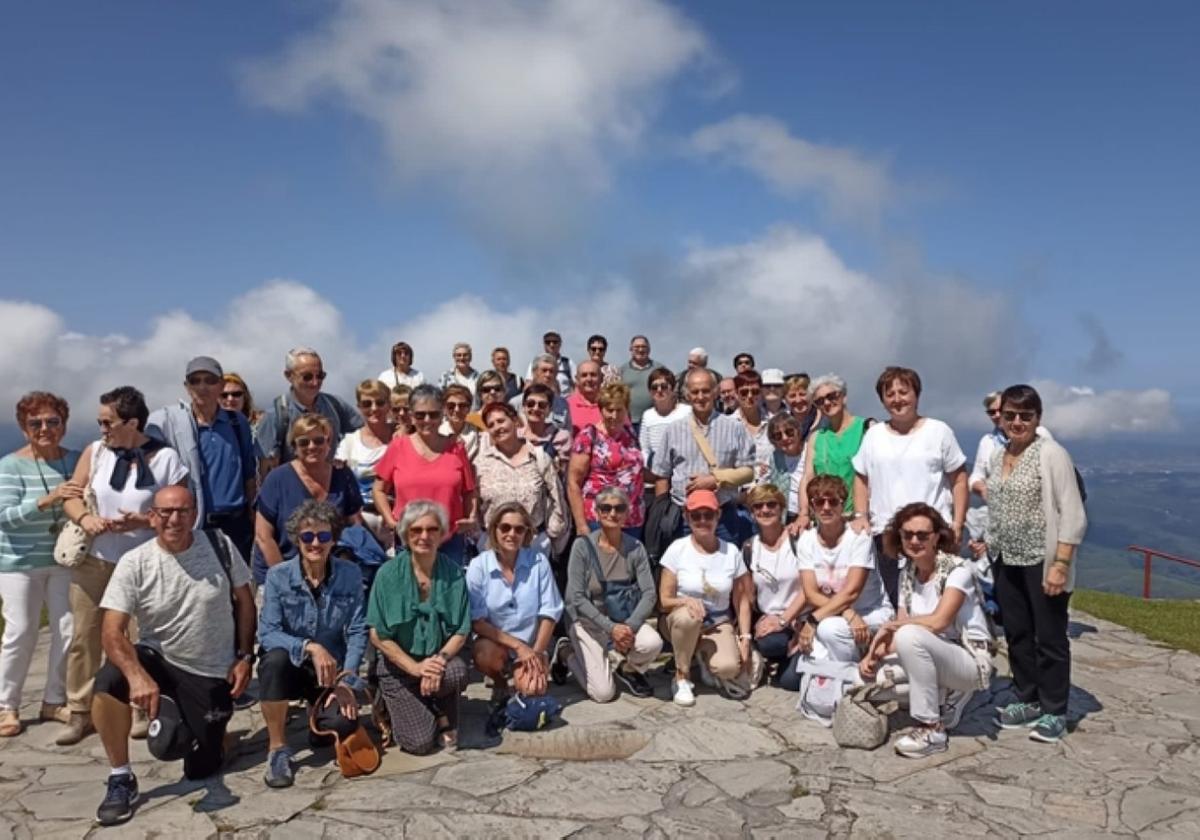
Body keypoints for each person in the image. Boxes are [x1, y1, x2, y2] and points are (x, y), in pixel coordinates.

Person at [90, 486, 254, 825]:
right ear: (152, 516)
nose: (174, 519)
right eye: (165, 512)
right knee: (108, 680)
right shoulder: (135, 563)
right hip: (158, 659)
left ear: (194, 514)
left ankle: (213, 733)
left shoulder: (220, 546)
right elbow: (111, 631)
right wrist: (136, 676)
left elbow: (246, 602)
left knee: (196, 765)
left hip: (210, 673)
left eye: (182, 511)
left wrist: (244, 656)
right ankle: (120, 776)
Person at [58, 386, 189, 746]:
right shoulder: (96, 452)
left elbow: (182, 512)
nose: (102, 429)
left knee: (141, 638)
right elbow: (70, 494)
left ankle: (141, 706)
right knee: (84, 635)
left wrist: (145, 522)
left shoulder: (165, 460)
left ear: (132, 422)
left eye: (108, 422)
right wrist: (85, 519)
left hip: (143, 563)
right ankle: (80, 710)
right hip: (96, 561)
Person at [983, 384, 1086, 744]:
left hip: (1040, 559)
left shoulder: (1052, 454)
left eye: (1025, 416)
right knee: (1017, 631)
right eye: (1009, 415)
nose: (1016, 422)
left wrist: (1061, 564)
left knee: (1051, 636)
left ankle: (1054, 709)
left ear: (1037, 418)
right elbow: (998, 503)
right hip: (1004, 558)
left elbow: (1072, 513)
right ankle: (1028, 697)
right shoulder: (999, 456)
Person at [859, 503, 994, 759]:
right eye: (907, 534)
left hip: (968, 661)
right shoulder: (907, 574)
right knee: (863, 682)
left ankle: (931, 728)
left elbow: (939, 622)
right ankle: (945, 695)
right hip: (927, 655)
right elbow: (899, 633)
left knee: (910, 635)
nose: (914, 540)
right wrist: (873, 655)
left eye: (923, 535)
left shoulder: (958, 571)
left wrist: (890, 628)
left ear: (937, 538)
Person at [258, 500, 367, 787]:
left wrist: (348, 682)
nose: (315, 543)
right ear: (297, 539)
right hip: (293, 665)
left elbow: (357, 630)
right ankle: (278, 749)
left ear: (334, 539)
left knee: (342, 724)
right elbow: (267, 632)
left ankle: (315, 718)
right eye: (307, 536)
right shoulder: (278, 576)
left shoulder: (350, 574)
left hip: (332, 672)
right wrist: (310, 646)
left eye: (323, 536)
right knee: (273, 661)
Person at [851, 367, 967, 609]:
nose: (897, 399)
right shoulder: (874, 435)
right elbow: (861, 477)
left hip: (933, 533)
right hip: (888, 534)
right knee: (898, 602)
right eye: (889, 394)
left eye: (903, 392)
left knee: (938, 600)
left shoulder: (939, 431)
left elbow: (959, 478)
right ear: (882, 400)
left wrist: (957, 522)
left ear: (916, 394)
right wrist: (861, 515)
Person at [0, 392, 80, 737]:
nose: (45, 428)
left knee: (67, 629)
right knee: (20, 631)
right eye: (36, 423)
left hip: (64, 560)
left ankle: (53, 699)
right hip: (18, 562)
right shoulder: (9, 466)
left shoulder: (76, 460)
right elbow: (4, 518)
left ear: (64, 424)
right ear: (23, 427)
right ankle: (7, 705)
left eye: (52, 421)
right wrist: (47, 501)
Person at [367, 501, 471, 754]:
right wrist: (415, 668)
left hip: (437, 660)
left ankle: (436, 704)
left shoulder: (454, 573)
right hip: (399, 666)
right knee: (420, 743)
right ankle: (410, 706)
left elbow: (461, 630)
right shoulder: (387, 575)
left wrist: (437, 663)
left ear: (442, 533)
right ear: (405, 534)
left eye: (432, 529)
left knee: (457, 672)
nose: (424, 536)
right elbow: (378, 635)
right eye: (416, 530)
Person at [147, 356, 257, 562]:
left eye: (210, 380)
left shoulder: (236, 421)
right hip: (196, 522)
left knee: (237, 587)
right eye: (195, 381)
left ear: (221, 385)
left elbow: (249, 472)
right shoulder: (172, 426)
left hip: (237, 523)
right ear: (186, 387)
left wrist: (253, 513)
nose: (202, 386)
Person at [467, 502, 563, 734]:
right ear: (494, 530)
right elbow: (477, 621)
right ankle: (500, 684)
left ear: (527, 534)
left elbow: (550, 612)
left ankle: (527, 676)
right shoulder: (479, 566)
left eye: (519, 529)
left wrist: (536, 653)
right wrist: (518, 647)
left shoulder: (539, 562)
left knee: (533, 690)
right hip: (497, 642)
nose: (511, 534)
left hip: (532, 644)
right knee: (483, 654)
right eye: (505, 527)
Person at [561, 487, 662, 701]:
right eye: (605, 508)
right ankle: (566, 653)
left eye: (619, 508)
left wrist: (628, 627)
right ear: (596, 512)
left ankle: (627, 668)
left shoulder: (636, 548)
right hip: (588, 621)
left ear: (627, 513)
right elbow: (576, 597)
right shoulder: (582, 546)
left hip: (623, 617)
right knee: (603, 693)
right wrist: (611, 628)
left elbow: (649, 594)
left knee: (652, 643)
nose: (612, 514)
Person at [658, 490, 752, 706]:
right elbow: (664, 600)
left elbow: (741, 600)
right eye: (696, 515)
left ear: (718, 516)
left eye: (708, 515)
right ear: (687, 516)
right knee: (687, 617)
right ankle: (681, 676)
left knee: (728, 668)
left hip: (717, 623)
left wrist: (745, 638)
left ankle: (698, 654)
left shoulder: (731, 552)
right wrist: (685, 601)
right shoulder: (677, 549)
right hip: (680, 622)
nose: (702, 521)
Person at [792, 476, 893, 669]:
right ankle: (853, 666)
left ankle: (855, 675)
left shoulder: (858, 536)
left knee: (829, 630)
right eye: (819, 502)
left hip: (871, 612)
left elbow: (852, 591)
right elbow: (811, 593)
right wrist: (847, 613)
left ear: (843, 504)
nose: (826, 507)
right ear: (812, 506)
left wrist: (813, 620)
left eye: (833, 502)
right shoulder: (806, 540)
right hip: (838, 613)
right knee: (806, 665)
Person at [372, 385, 479, 567]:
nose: (427, 420)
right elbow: (379, 489)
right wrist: (391, 521)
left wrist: (471, 517)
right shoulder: (398, 446)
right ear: (411, 416)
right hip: (409, 540)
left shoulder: (456, 448)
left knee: (447, 594)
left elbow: (469, 490)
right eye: (420, 415)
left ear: (442, 414)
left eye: (433, 414)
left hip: (449, 540)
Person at [254, 414, 363, 587]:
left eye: (319, 441)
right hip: (280, 573)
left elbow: (355, 526)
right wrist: (287, 581)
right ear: (294, 447)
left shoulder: (343, 475)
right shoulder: (277, 479)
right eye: (304, 442)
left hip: (331, 576)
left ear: (329, 442)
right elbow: (263, 536)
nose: (312, 447)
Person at [651, 368, 754, 544]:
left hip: (723, 515)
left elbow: (748, 472)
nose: (700, 397)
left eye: (706, 391)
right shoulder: (673, 430)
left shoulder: (734, 428)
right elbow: (662, 476)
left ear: (715, 392)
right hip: (684, 517)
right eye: (695, 392)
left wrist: (716, 479)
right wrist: (662, 511)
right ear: (687, 395)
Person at [476, 402, 568, 555]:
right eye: (491, 425)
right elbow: (474, 504)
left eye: (501, 421)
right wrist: (480, 538)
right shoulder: (481, 463)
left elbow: (557, 499)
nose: (497, 427)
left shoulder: (539, 457)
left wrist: (552, 535)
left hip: (533, 544)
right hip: (493, 547)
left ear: (515, 421)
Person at [254, 347, 362, 470]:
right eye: (307, 377)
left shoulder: (335, 405)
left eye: (320, 376)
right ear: (288, 376)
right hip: (292, 486)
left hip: (332, 484)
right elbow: (267, 470)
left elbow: (365, 433)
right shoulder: (275, 415)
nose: (315, 382)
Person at [741, 486, 806, 683]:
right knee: (771, 643)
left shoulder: (799, 541)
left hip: (800, 617)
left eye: (771, 504)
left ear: (782, 508)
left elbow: (808, 589)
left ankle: (794, 654)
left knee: (790, 682)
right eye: (758, 506)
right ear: (752, 512)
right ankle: (782, 655)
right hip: (770, 619)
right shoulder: (749, 547)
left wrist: (785, 620)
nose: (765, 510)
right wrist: (749, 630)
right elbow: (747, 595)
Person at [567, 382, 644, 539]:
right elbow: (573, 482)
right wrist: (581, 524)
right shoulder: (588, 435)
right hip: (600, 518)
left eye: (619, 410)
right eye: (609, 410)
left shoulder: (630, 433)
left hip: (632, 518)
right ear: (601, 410)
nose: (614, 416)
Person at [797, 374, 869, 529]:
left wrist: (861, 515)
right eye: (820, 401)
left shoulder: (866, 429)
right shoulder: (816, 438)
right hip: (825, 519)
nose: (827, 403)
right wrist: (803, 514)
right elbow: (808, 477)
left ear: (843, 397)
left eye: (832, 396)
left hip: (858, 519)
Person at [334, 380, 395, 551]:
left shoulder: (401, 438)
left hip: (396, 522)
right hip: (362, 522)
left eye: (380, 402)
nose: (374, 408)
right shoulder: (349, 443)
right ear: (359, 407)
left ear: (389, 404)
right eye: (367, 404)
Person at [638, 367, 690, 475]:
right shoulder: (647, 415)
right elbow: (645, 449)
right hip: (655, 471)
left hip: (682, 469)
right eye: (654, 387)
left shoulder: (686, 412)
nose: (659, 390)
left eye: (664, 386)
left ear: (672, 389)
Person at [517, 383, 572, 470]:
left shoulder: (561, 437)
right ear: (524, 407)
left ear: (549, 410)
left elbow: (564, 472)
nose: (535, 408)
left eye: (542, 405)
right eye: (530, 404)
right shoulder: (516, 436)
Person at [512, 354, 572, 430]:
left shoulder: (562, 404)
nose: (548, 375)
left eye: (551, 371)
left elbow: (568, 433)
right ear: (534, 372)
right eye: (544, 370)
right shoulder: (516, 403)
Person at [764, 413, 805, 518]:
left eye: (789, 432)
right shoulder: (773, 458)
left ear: (798, 432)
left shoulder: (809, 453)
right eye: (778, 436)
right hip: (783, 516)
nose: (785, 438)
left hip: (808, 513)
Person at [733, 371, 771, 477]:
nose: (750, 396)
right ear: (736, 394)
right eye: (744, 392)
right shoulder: (728, 425)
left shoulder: (773, 421)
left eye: (755, 392)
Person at [619, 335, 658, 436]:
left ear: (649, 349)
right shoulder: (622, 370)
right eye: (636, 347)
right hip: (628, 422)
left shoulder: (659, 369)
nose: (640, 350)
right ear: (631, 349)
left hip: (652, 421)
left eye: (643, 347)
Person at [439, 383, 480, 462]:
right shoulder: (437, 433)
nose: (457, 410)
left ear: (469, 408)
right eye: (451, 406)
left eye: (462, 406)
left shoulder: (477, 433)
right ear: (444, 408)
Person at [525, 331, 573, 396]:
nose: (551, 345)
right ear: (544, 344)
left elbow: (576, 385)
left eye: (555, 342)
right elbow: (528, 384)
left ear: (560, 344)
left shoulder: (568, 363)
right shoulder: (535, 362)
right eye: (548, 342)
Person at [566, 360, 604, 437]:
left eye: (593, 375)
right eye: (584, 375)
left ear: (601, 378)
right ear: (577, 380)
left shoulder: (611, 404)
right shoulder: (566, 405)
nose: (589, 379)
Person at [784, 373, 821, 439]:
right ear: (785, 399)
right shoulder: (783, 425)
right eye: (792, 396)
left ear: (811, 395)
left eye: (802, 394)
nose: (798, 400)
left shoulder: (825, 420)